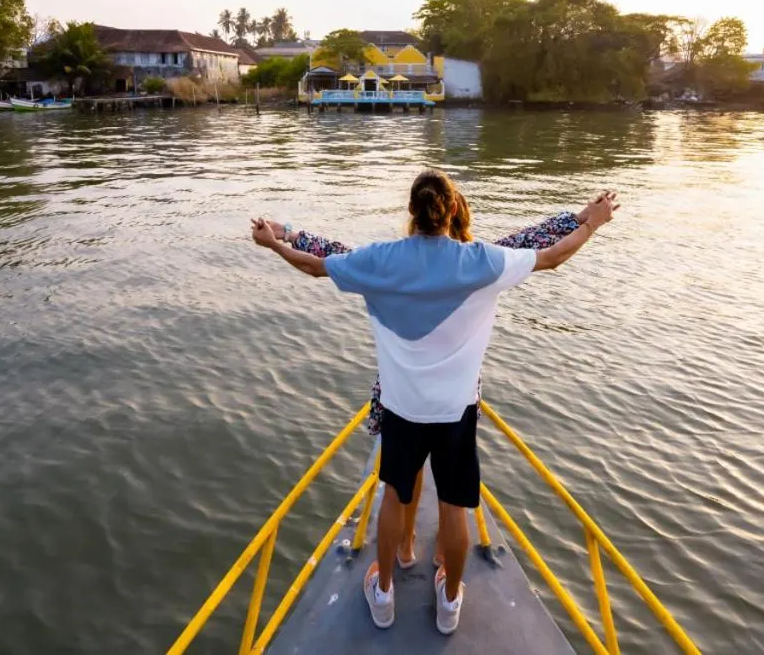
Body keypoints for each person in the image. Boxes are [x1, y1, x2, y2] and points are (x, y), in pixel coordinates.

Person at [251, 170, 619, 636]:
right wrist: (592, 223)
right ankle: (449, 602)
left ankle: (383, 591)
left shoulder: (380, 260)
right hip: (457, 412)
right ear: (452, 211)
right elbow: (549, 256)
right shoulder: (483, 262)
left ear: (412, 212)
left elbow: (316, 263)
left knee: (394, 498)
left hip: (402, 409)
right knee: (455, 507)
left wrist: (277, 243)